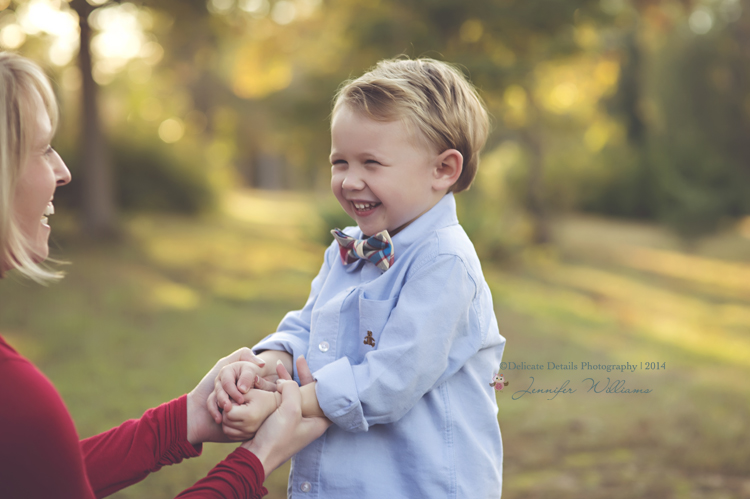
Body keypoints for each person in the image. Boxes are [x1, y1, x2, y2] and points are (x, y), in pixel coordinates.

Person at [0, 51, 330, 498]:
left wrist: (188, 417)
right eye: (42, 150)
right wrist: (257, 460)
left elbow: (41, 479)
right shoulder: (16, 398)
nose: (63, 171)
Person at [210, 58, 506, 498]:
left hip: (417, 485)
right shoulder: (347, 248)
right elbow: (309, 326)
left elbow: (391, 379)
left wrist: (283, 403)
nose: (349, 181)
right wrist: (266, 368)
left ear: (442, 170)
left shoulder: (445, 262)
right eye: (340, 162)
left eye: (371, 163)